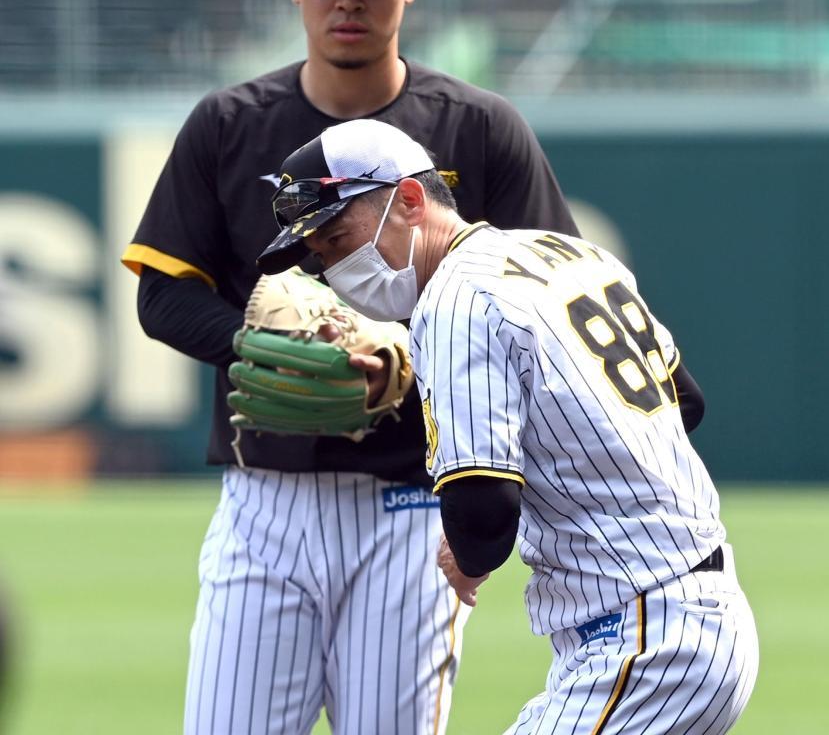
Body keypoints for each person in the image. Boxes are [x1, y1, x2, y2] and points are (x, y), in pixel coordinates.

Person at [122, 0, 579, 735]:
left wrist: (406, 363)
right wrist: (267, 349)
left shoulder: (478, 128)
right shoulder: (228, 123)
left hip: (413, 501)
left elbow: (547, 293)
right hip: (265, 499)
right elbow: (162, 294)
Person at [257, 118, 759, 735]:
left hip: (650, 640)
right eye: (319, 258)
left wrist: (468, 554)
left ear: (409, 200)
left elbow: (484, 516)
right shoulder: (568, 252)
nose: (331, 267)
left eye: (336, 239)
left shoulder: (455, 300)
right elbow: (686, 401)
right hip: (686, 615)